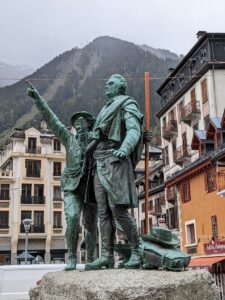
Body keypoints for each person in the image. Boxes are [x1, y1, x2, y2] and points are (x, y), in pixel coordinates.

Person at [27, 82, 97, 271]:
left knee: (91, 225)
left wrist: (142, 137)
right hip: (72, 186)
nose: (80, 128)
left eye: (84, 125)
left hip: (90, 187)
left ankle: (91, 259)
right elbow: (52, 120)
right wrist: (38, 99)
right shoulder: (68, 139)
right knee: (73, 218)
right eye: (78, 125)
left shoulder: (96, 143)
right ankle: (72, 257)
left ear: (90, 127)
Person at [85, 74, 143, 270]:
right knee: (103, 213)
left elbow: (134, 130)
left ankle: (136, 250)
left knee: (118, 209)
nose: (106, 87)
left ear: (121, 87)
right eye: (106, 83)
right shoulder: (104, 109)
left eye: (110, 84)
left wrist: (125, 148)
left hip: (115, 159)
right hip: (98, 163)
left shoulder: (127, 103)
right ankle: (106, 256)